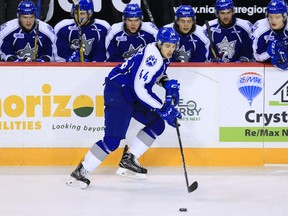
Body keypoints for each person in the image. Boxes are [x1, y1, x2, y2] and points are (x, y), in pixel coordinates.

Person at [66, 27, 182, 189]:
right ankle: (80, 172)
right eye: (167, 46)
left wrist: (166, 83)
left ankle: (129, 159)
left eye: (173, 46)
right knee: (112, 141)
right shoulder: (153, 57)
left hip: (129, 92)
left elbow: (154, 74)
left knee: (157, 123)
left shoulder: (159, 53)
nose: (170, 50)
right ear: (160, 43)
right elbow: (140, 89)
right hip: (118, 92)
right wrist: (162, 108)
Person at [252, 0, 288, 70]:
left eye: (277, 17)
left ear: (284, 17)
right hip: (266, 69)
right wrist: (269, 53)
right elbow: (256, 56)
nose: (273, 21)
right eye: (270, 17)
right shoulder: (260, 27)